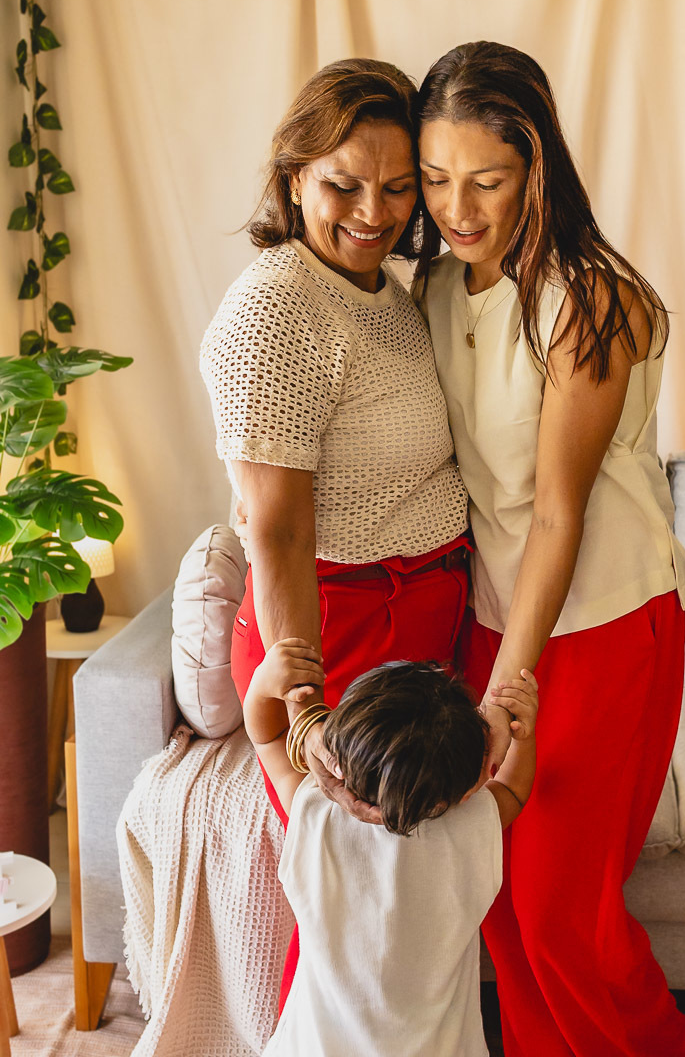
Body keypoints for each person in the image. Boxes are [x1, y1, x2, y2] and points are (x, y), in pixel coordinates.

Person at [413, 41, 685, 1057]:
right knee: (494, 898)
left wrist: (508, 681)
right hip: (495, 619)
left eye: (485, 180)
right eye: (436, 177)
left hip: (601, 622)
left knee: (557, 912)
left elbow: (553, 512)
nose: (457, 205)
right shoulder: (439, 291)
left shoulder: (584, 298)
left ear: (534, 169)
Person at [199, 58, 471, 1002]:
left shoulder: (381, 294)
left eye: (399, 189)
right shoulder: (278, 303)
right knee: (345, 905)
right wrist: (305, 699)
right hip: (333, 632)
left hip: (414, 631)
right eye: (342, 184)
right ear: (292, 177)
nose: (374, 210)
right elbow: (273, 530)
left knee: (412, 903)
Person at [242, 639, 538, 1057]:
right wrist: (522, 733)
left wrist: (263, 683)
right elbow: (513, 789)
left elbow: (269, 737)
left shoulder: (316, 814)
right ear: (467, 782)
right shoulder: (473, 823)